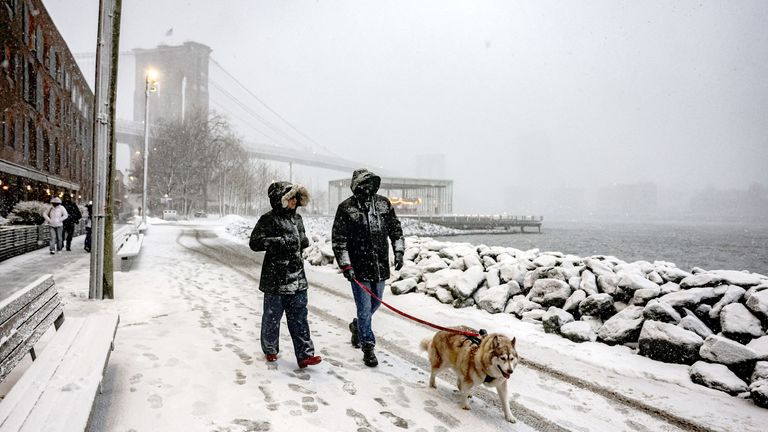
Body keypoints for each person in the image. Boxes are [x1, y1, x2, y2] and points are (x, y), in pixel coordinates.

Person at [332, 169, 404, 367]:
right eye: (364, 184)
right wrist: (346, 265)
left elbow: (395, 229)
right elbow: (339, 240)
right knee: (364, 309)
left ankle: (358, 326)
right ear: (356, 186)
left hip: (380, 265)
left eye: (371, 184)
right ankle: (368, 346)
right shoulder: (346, 208)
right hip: (358, 267)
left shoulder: (383, 203)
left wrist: (399, 251)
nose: (368, 188)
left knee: (376, 302)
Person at [250, 181, 321, 369]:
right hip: (275, 279)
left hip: (298, 278)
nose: (294, 201)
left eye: (296, 197)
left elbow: (301, 240)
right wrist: (278, 242)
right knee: (272, 318)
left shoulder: (298, 219)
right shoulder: (268, 219)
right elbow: (255, 242)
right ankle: (270, 349)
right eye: (290, 197)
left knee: (299, 318)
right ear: (279, 200)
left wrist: (303, 241)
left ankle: (305, 355)